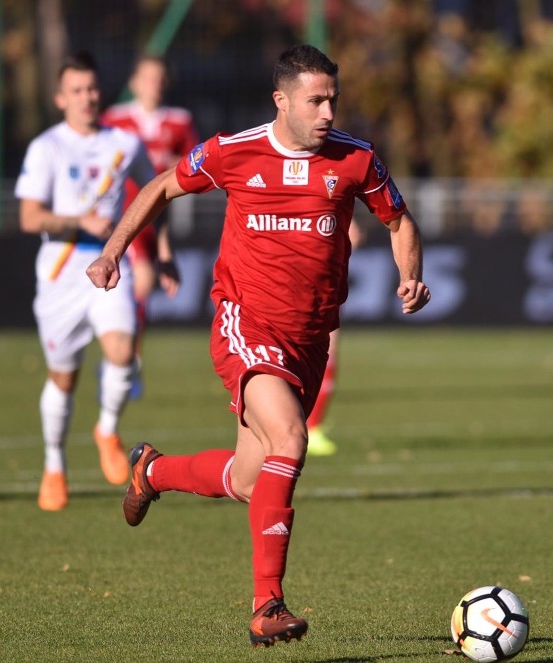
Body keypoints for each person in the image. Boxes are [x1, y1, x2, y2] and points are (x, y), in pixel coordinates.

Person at [86, 44, 431, 647]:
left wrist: (410, 273)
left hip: (311, 336)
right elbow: (162, 185)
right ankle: (267, 603)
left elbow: (398, 221)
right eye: (314, 100)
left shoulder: (356, 159)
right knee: (291, 439)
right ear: (282, 100)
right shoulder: (234, 151)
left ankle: (153, 470)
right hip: (247, 325)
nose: (327, 112)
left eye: (333, 100)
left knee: (250, 480)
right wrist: (115, 249)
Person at [14, 51, 159, 511]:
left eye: (92, 88)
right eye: (76, 90)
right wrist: (80, 220)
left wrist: (165, 254)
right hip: (60, 272)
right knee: (64, 377)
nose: (87, 97)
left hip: (110, 265)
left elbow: (156, 194)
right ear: (60, 98)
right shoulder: (46, 148)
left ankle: (106, 429)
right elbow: (28, 216)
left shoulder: (126, 143)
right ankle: (55, 465)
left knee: (121, 351)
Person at [101, 54, 197, 396]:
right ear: (134, 83)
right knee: (140, 280)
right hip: (121, 217)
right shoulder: (115, 120)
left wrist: (166, 247)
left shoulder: (179, 121)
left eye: (159, 77)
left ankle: (123, 360)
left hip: (156, 218)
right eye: (147, 77)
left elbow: (188, 170)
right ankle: (127, 362)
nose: (153, 84)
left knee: (139, 285)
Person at [305, 217, 365, 456]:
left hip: (314, 282)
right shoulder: (325, 191)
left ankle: (308, 426)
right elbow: (354, 236)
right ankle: (311, 427)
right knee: (324, 354)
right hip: (317, 285)